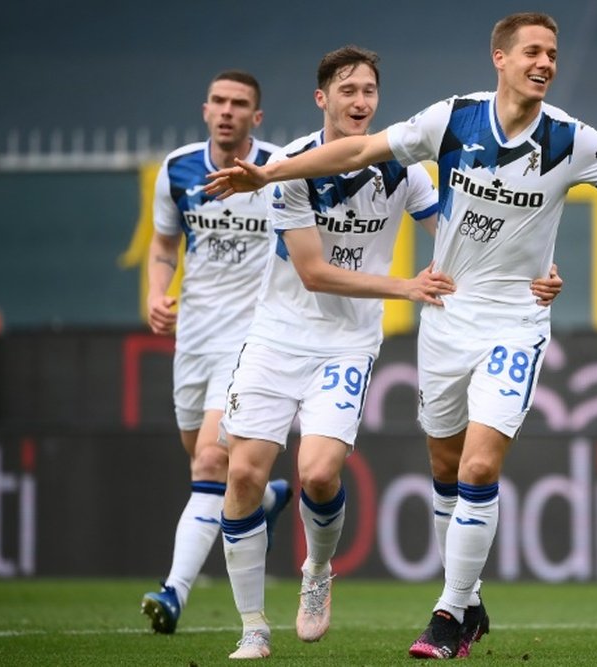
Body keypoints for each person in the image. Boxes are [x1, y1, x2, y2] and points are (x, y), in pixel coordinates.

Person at [206, 11, 597, 659]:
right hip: (448, 315)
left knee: (480, 462)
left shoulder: (570, 139)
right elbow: (359, 149)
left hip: (515, 320)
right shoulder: (453, 118)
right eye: (532, 51)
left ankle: (446, 613)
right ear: (500, 58)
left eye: (552, 52)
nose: (545, 62)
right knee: (444, 466)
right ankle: (469, 599)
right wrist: (269, 173)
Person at [211, 46, 563, 660]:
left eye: (369, 91)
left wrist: (536, 269)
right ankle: (252, 627)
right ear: (323, 99)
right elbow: (315, 273)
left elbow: (469, 231)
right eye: (347, 90)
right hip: (277, 335)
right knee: (242, 473)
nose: (360, 102)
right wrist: (405, 287)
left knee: (319, 473)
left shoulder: (403, 169)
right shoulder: (290, 166)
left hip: (347, 342)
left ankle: (317, 572)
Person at [140, 70, 292, 635]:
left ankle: (173, 593)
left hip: (254, 338)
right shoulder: (177, 169)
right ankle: (266, 501)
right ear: (206, 110)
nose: (228, 111)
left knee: (209, 460)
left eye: (240, 105)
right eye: (220, 102)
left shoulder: (279, 167)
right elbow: (163, 244)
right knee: (204, 463)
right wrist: (158, 292)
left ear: (257, 117)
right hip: (195, 337)